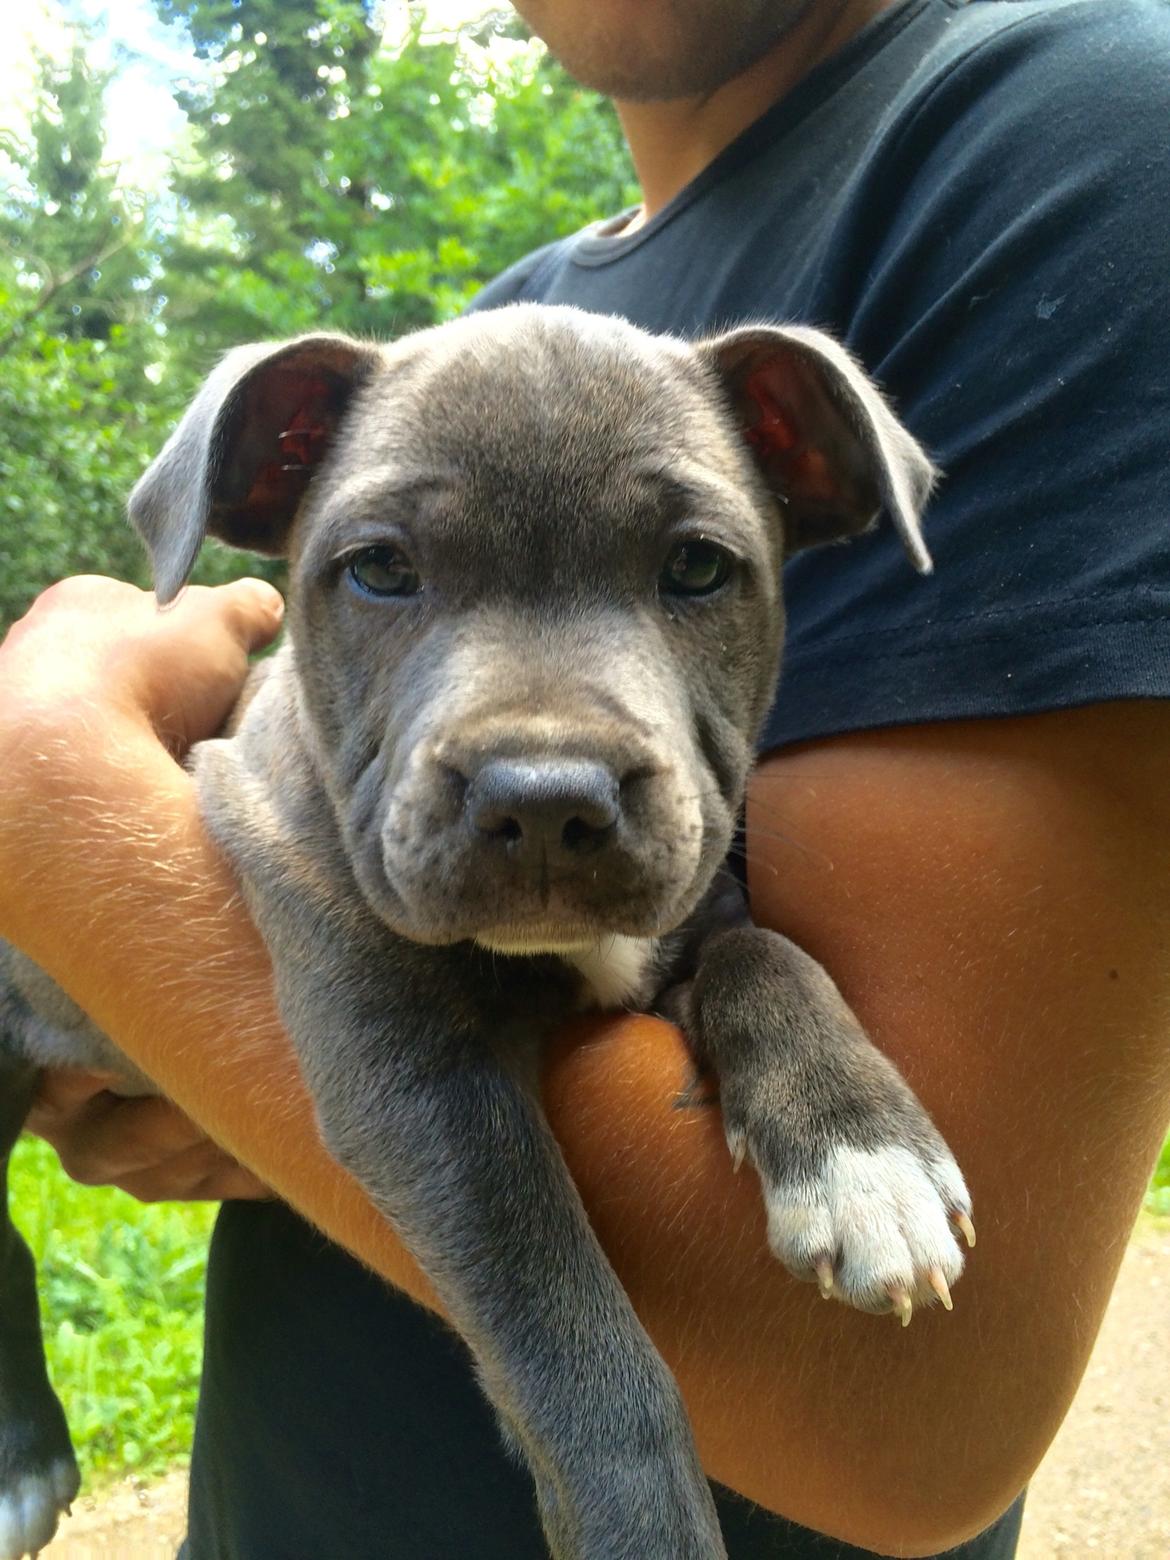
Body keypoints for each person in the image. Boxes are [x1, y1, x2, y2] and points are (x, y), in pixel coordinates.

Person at [2, 0, 1169, 1554]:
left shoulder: (1061, 142)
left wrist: (48, 802)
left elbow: (908, 1411)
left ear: (810, 489)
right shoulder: (510, 319)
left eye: (689, 566)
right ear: (272, 480)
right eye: (389, 570)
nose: (544, 745)